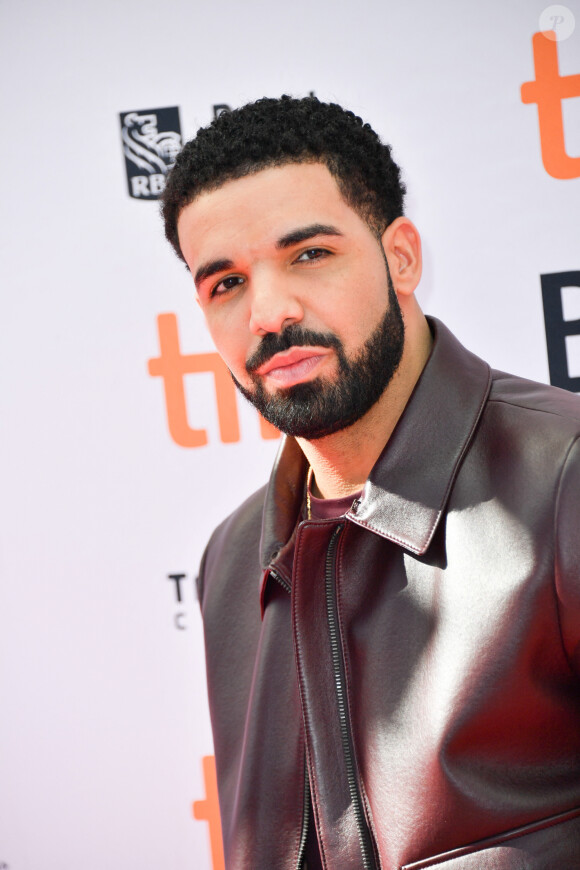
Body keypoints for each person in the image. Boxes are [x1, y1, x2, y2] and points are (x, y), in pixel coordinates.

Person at [161, 96, 580, 869]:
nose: (270, 312)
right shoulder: (231, 563)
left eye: (309, 255)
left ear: (402, 257)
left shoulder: (566, 475)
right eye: (225, 284)